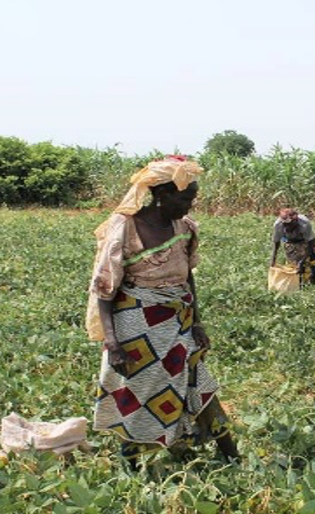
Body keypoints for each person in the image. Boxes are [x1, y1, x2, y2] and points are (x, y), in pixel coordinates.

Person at [85, 156, 238, 469]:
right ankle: (131, 464)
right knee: (139, 393)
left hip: (178, 321)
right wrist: (113, 343)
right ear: (161, 195)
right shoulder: (125, 227)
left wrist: (197, 322)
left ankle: (232, 456)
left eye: (192, 198)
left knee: (199, 382)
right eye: (185, 198)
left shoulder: (183, 226)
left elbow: (187, 275)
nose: (189, 205)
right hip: (136, 328)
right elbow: (104, 288)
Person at [269, 208, 315, 285]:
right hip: (291, 244)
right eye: (285, 225)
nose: (287, 227)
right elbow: (276, 242)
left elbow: (311, 242)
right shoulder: (278, 224)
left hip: (307, 243)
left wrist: (302, 261)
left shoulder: (304, 223)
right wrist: (273, 259)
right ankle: (301, 284)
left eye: (289, 224)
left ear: (295, 221)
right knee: (295, 268)